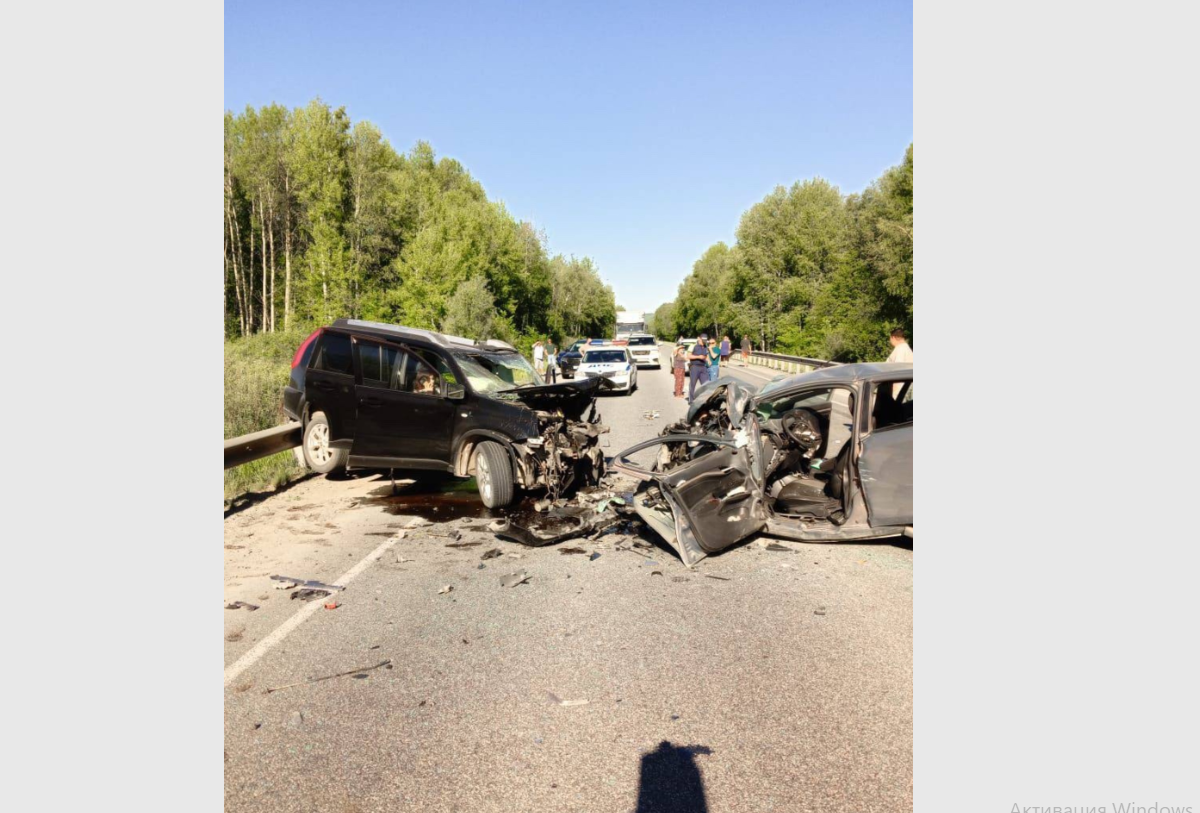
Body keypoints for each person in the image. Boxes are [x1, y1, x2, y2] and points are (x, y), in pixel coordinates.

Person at [687, 335, 710, 402]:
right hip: (694, 367)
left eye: (705, 340)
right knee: (692, 384)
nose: (704, 341)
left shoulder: (706, 346)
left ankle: (705, 400)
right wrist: (698, 357)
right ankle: (691, 400)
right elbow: (688, 356)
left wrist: (707, 359)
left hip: (703, 367)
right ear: (699, 338)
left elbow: (706, 356)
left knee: (706, 384)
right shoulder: (693, 345)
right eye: (703, 340)